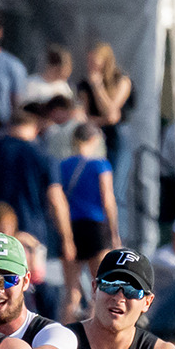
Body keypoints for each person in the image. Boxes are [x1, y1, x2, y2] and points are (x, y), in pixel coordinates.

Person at [0, 109, 76, 311]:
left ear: (10, 127)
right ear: (35, 128)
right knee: (28, 286)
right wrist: (67, 238)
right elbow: (56, 199)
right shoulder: (43, 156)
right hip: (33, 236)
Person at [58, 122, 120, 313]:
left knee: (71, 291)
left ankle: (64, 334)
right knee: (100, 287)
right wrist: (115, 233)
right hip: (95, 226)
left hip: (71, 226)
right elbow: (107, 199)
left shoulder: (63, 165)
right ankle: (93, 336)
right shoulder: (100, 164)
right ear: (94, 140)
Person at [78, 42, 134, 165]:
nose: (90, 66)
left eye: (94, 61)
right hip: (96, 133)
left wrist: (98, 87)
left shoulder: (122, 80)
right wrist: (103, 120)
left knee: (116, 173)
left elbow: (111, 112)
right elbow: (85, 116)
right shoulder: (84, 85)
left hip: (117, 133)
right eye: (89, 61)